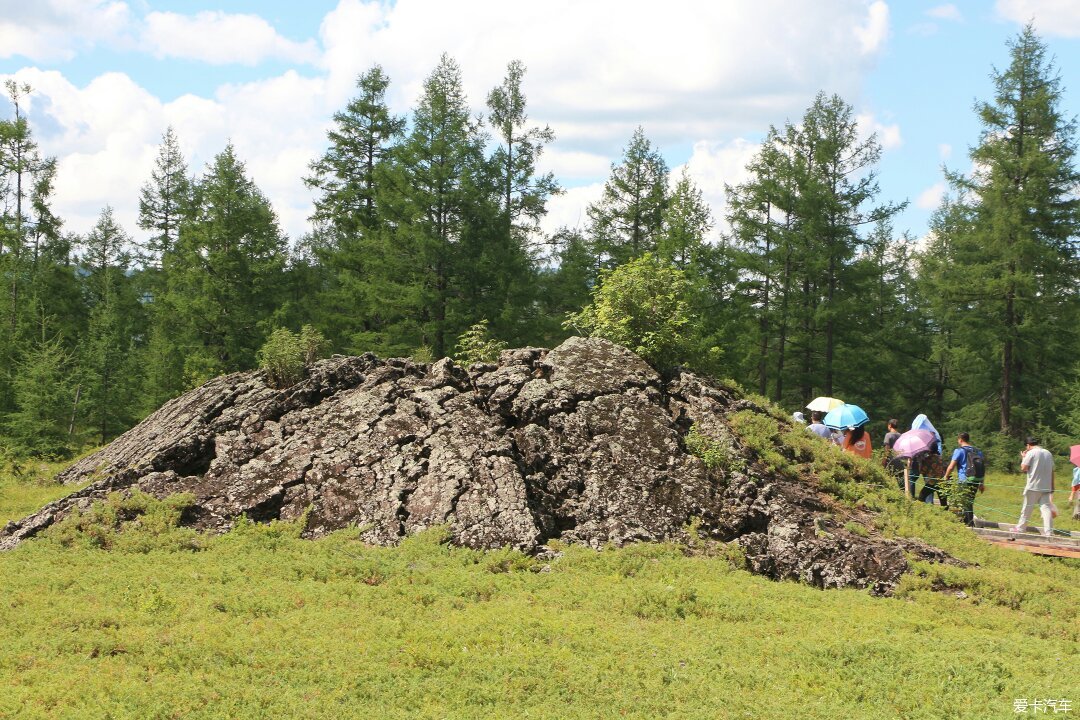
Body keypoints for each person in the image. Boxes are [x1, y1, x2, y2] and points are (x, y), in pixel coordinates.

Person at [1014, 436, 1055, 537]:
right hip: (1046, 486)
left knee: (1027, 508)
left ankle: (1020, 529)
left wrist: (1023, 457)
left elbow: (1023, 468)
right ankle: (1049, 532)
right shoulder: (1048, 453)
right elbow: (1052, 470)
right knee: (1046, 509)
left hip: (1033, 486)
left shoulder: (1031, 453)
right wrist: (1052, 486)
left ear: (1028, 445)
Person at [942, 432, 984, 526]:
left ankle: (970, 524)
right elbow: (981, 467)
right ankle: (966, 522)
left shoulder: (959, 451)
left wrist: (946, 476)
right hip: (976, 479)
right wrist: (981, 483)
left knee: (965, 502)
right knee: (969, 501)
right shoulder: (978, 451)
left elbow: (951, 466)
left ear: (960, 440)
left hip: (964, 479)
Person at [882, 419, 905, 490]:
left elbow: (887, 449)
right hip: (900, 462)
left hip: (890, 462)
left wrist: (883, 461)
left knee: (887, 482)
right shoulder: (901, 436)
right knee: (902, 484)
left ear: (890, 425)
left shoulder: (888, 435)